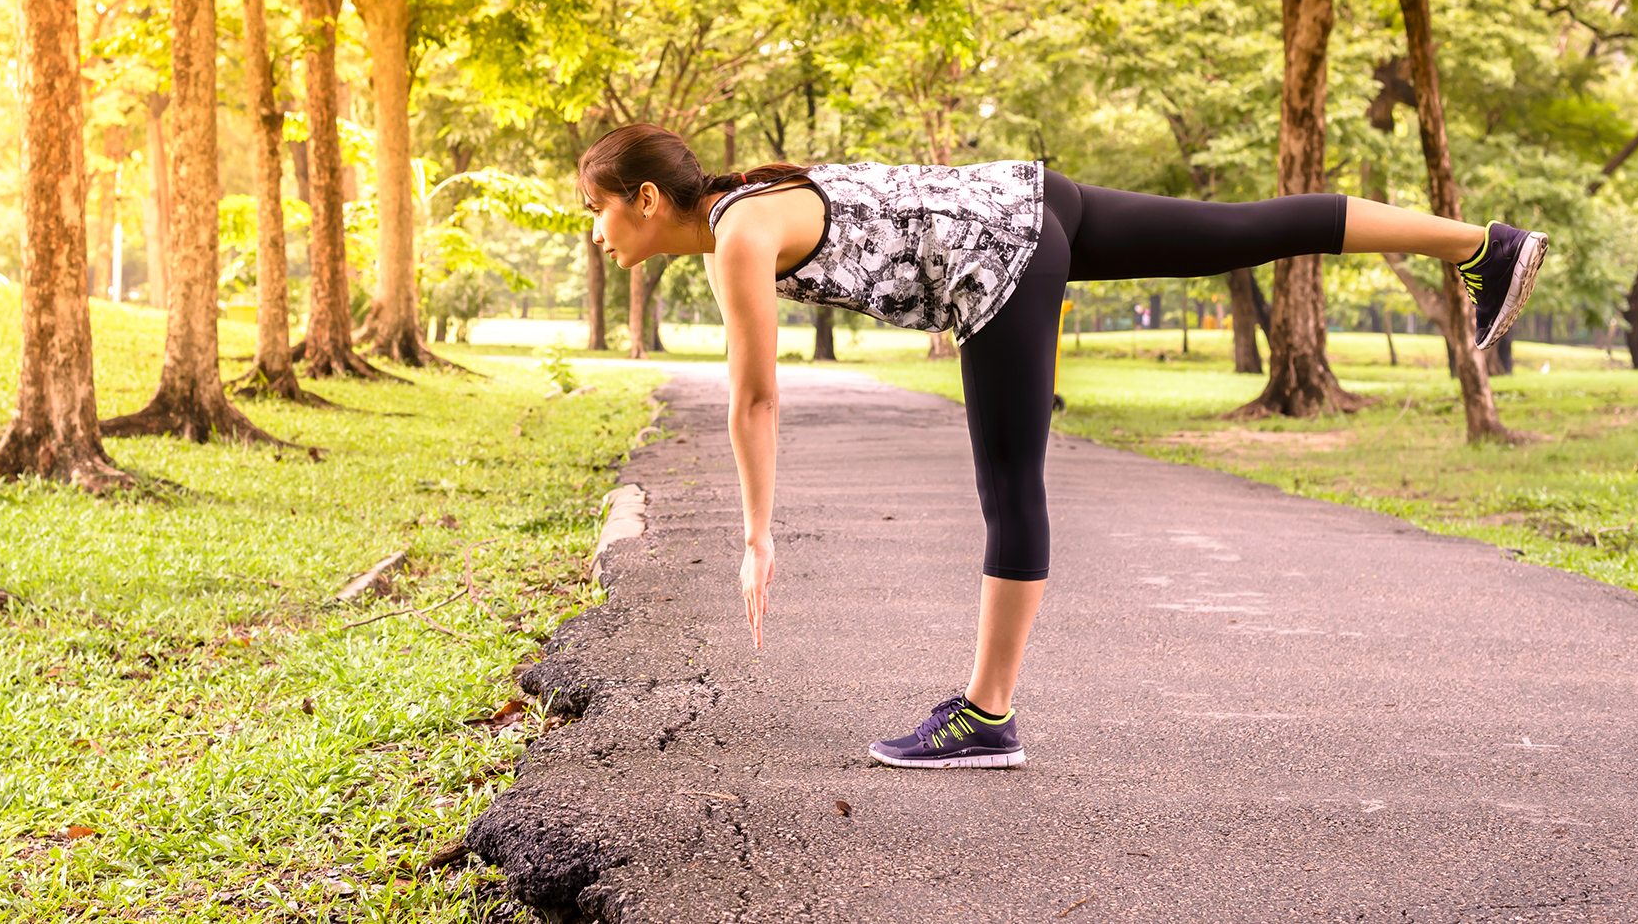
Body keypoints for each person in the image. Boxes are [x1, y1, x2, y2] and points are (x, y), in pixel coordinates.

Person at [575, 122, 1549, 770]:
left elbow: (752, 399)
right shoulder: (750, 200)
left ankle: (986, 716)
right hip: (1033, 200)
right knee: (1234, 230)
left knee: (1009, 484)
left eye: (597, 210)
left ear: (648, 199)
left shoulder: (738, 234)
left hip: (996, 262)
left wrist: (755, 535)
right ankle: (1478, 244)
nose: (594, 235)